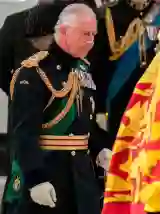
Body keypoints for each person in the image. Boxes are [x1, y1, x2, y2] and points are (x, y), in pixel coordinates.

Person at [1, 3, 112, 214]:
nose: (90, 41)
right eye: (84, 34)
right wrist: (36, 179)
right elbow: (25, 133)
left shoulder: (83, 70)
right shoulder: (34, 73)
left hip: (80, 178)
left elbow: (83, 122)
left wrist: (101, 148)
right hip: (48, 173)